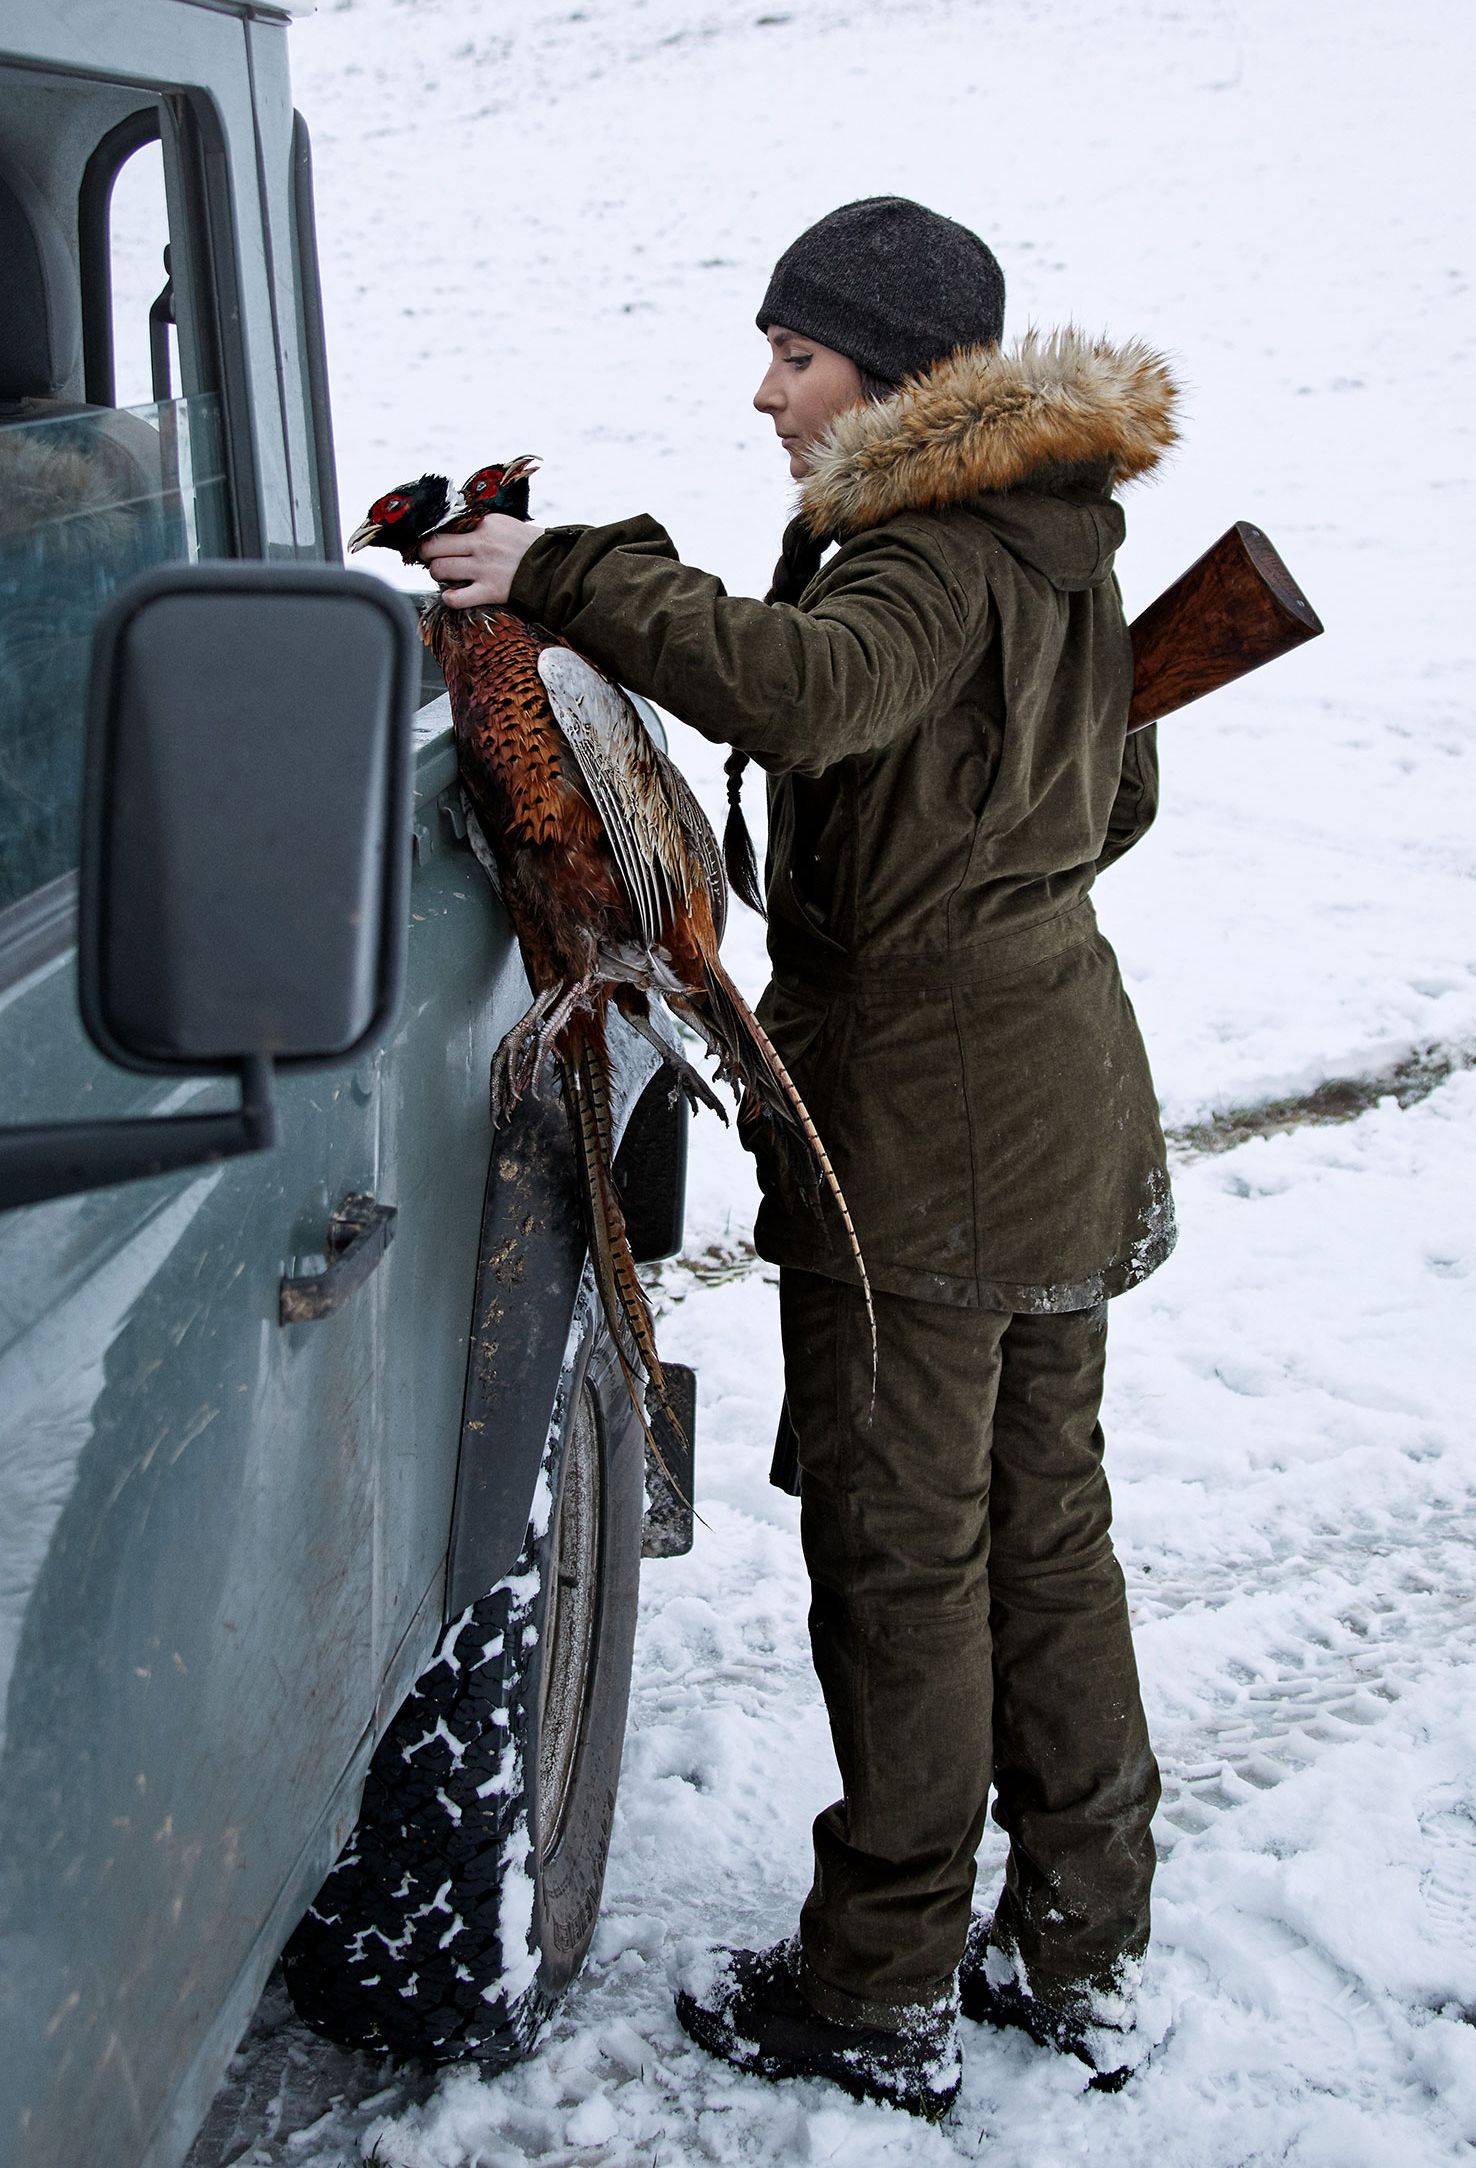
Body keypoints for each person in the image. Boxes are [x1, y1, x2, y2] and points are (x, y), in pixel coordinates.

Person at [422, 195, 1178, 2121]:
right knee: (1045, 1527)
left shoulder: (922, 552)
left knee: (903, 1554)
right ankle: (1077, 1939)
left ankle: (877, 1984)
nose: (765, 391)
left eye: (798, 355)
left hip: (929, 1136)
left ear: (902, 377)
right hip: (1060, 1085)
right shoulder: (1054, 537)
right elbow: (1118, 790)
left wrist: (564, 572)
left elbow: (817, 687)